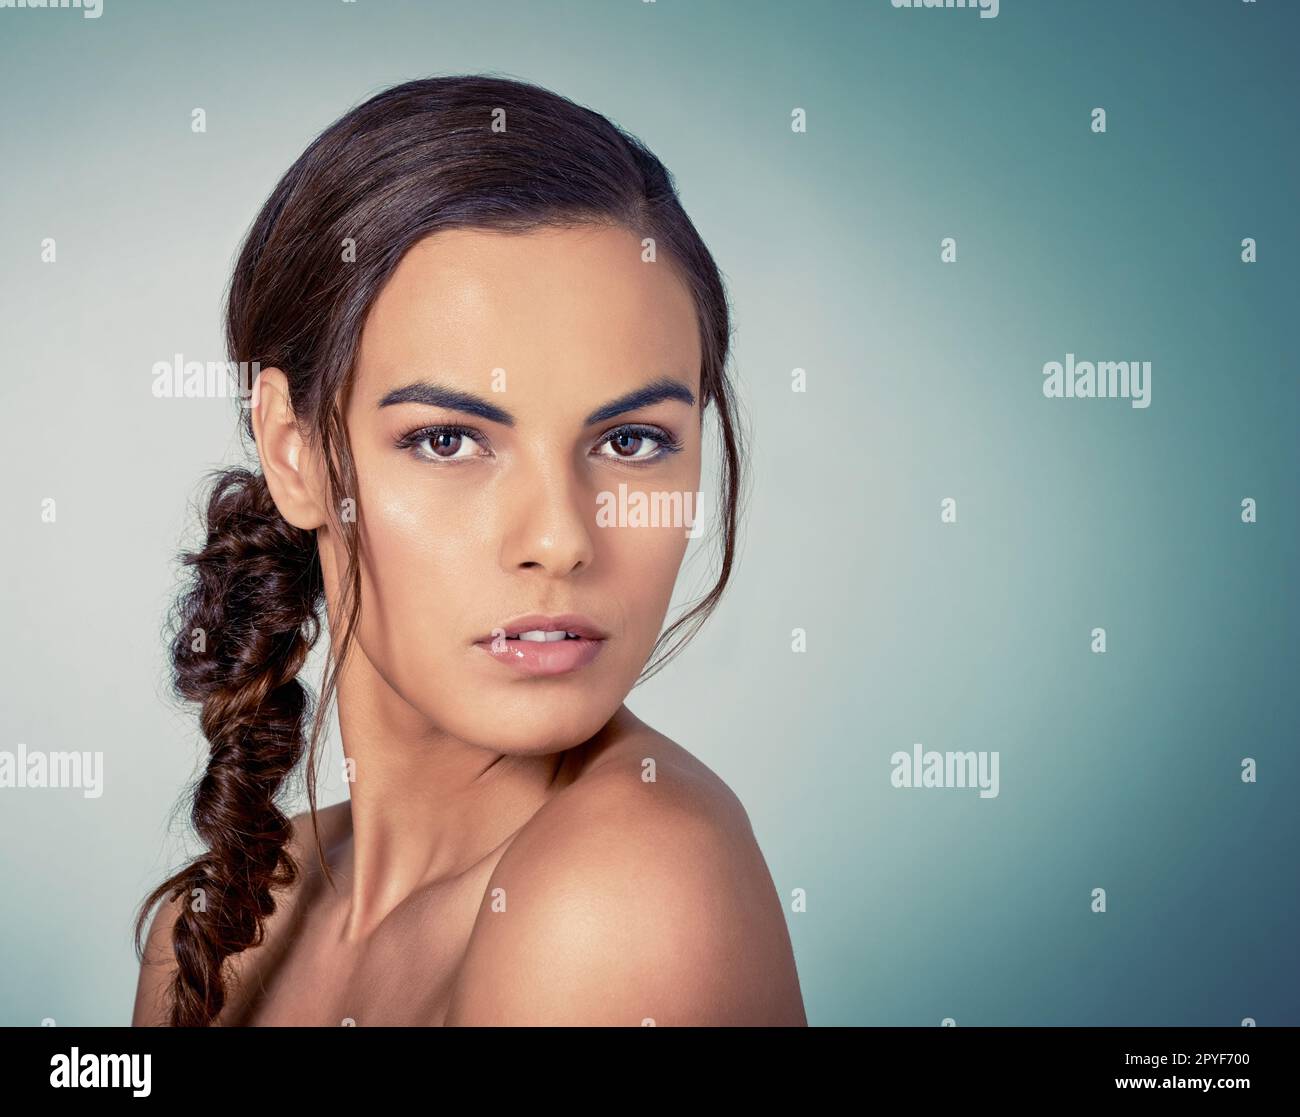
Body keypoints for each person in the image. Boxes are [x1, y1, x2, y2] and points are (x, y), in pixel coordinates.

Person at [131, 74, 806, 1027]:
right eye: (448, 439)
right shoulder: (213, 931)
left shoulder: (628, 888)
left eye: (631, 441)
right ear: (296, 452)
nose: (560, 540)